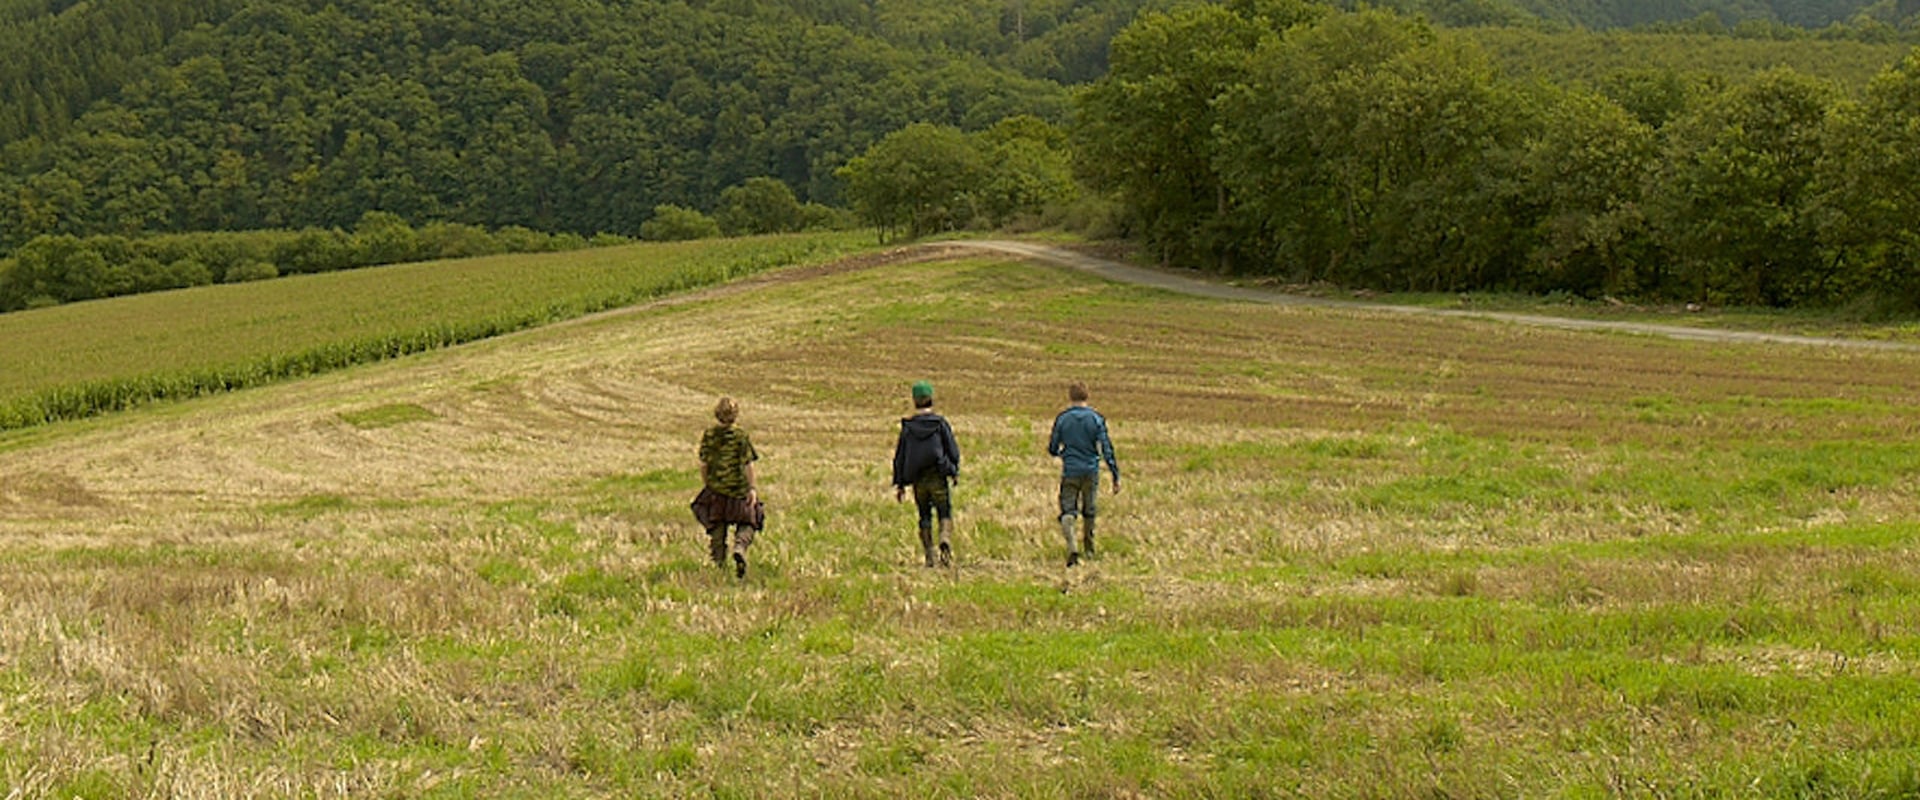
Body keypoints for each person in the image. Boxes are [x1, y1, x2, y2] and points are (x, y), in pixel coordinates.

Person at [1048, 382, 1119, 567]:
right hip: (1090, 470)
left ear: (1070, 397)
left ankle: (1072, 546)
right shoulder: (1096, 419)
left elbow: (1053, 447)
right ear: (1087, 396)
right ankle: (1089, 547)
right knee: (1090, 510)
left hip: (1070, 470)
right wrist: (1114, 474)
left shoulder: (1063, 419)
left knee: (1067, 509)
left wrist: (1062, 454)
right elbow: (1106, 448)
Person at [891, 380, 961, 567]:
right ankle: (945, 538)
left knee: (924, 515)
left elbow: (901, 456)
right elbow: (952, 449)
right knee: (944, 511)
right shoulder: (940, 424)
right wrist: (954, 471)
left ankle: (930, 554)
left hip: (918, 480)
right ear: (931, 399)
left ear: (914, 401)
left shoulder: (908, 428)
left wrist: (900, 484)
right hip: (938, 476)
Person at [692, 396, 763, 579]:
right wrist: (752, 488)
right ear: (735, 415)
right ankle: (740, 547)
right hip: (738, 490)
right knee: (750, 520)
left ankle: (719, 565)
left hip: (717, 490)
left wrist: (709, 484)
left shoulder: (709, 435)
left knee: (717, 526)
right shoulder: (740, 436)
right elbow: (748, 464)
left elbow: (703, 464)